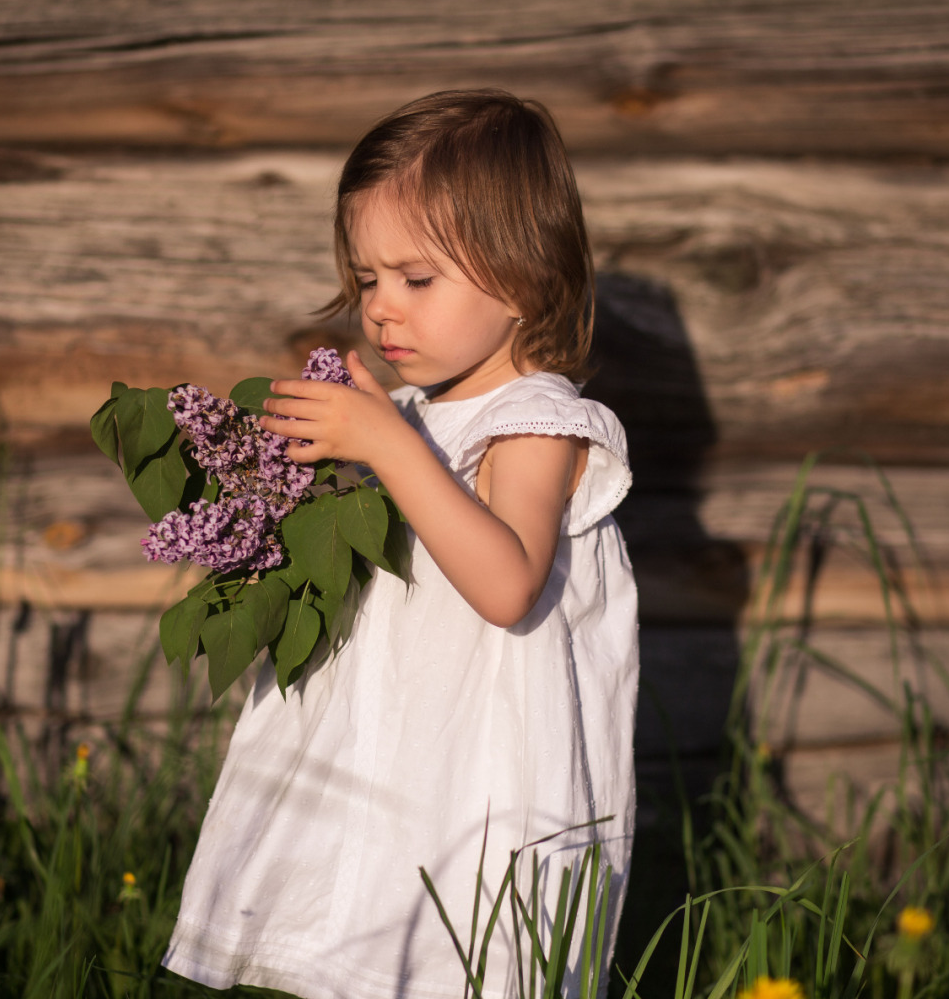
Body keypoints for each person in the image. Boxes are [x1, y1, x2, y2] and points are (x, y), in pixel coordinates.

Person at [161, 89, 639, 999]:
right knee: (369, 945)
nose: (383, 311)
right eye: (368, 279)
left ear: (527, 275)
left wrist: (385, 445)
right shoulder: (413, 416)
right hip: (393, 754)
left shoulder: (537, 423)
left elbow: (506, 585)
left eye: (417, 281)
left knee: (463, 954)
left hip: (484, 775)